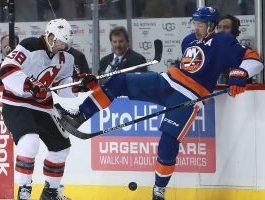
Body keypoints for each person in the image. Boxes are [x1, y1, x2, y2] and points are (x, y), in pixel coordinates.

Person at [54, 7, 264, 200]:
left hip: (189, 97)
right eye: (195, 23)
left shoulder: (223, 42)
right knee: (119, 82)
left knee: (168, 142)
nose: (196, 28)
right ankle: (79, 115)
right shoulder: (189, 40)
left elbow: (255, 59)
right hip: (166, 81)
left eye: (200, 24)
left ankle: (158, 191)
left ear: (210, 25)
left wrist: (241, 72)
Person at [0, 18, 80, 200]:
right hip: (17, 104)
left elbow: (61, 84)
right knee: (29, 142)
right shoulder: (30, 45)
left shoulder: (66, 58)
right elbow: (7, 69)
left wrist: (77, 85)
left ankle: (50, 192)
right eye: (59, 41)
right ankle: (24, 190)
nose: (62, 45)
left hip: (43, 108)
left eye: (65, 43)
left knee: (61, 148)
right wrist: (29, 84)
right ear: (50, 36)